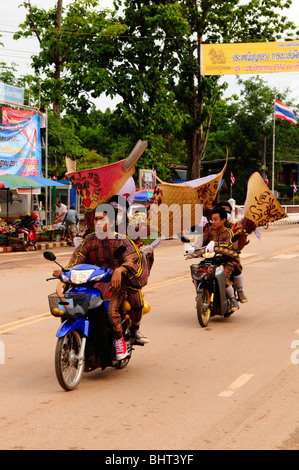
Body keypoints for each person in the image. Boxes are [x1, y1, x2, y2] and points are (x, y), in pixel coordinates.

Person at [53, 203, 150, 360]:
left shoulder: (123, 241)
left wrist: (120, 270)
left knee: (109, 310)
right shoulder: (89, 241)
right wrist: (64, 272)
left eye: (102, 219)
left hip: (117, 285)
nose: (98, 222)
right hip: (92, 284)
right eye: (96, 219)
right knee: (70, 306)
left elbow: (132, 259)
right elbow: (76, 259)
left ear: (111, 222)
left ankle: (119, 340)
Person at [201, 206, 239, 313]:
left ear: (223, 220)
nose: (213, 222)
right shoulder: (209, 231)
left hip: (226, 260)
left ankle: (232, 299)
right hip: (212, 260)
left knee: (225, 279)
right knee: (198, 272)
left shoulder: (229, 233)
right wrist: (193, 247)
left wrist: (215, 244)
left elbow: (230, 244)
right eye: (211, 220)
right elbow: (201, 242)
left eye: (215, 220)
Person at [214, 201, 248, 303]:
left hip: (229, 256)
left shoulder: (235, 227)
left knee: (236, 267)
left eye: (227, 211)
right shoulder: (211, 227)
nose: (225, 213)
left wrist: (244, 236)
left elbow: (239, 243)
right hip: (213, 256)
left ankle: (240, 291)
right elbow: (202, 239)